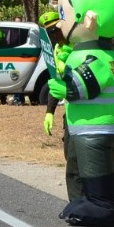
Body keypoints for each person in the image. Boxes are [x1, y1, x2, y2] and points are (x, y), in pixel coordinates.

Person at [46, 0, 114, 227]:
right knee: (81, 167)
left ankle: (102, 207)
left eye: (64, 15)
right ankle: (84, 202)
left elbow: (84, 86)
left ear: (90, 19)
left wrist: (64, 90)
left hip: (96, 127)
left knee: (95, 169)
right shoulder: (85, 53)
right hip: (84, 125)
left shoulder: (100, 58)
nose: (59, 24)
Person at [37, 10, 67, 138]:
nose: (53, 35)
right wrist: (50, 113)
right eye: (49, 32)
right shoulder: (57, 50)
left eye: (55, 30)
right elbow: (56, 82)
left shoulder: (77, 46)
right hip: (71, 112)